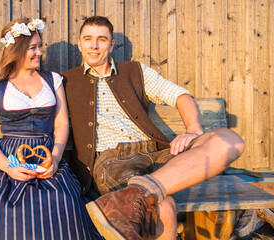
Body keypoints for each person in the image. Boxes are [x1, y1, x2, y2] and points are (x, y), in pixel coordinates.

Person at [61, 16, 245, 240]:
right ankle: (145, 194)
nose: (94, 45)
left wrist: (194, 130)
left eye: (102, 39)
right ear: (79, 43)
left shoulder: (135, 72)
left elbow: (181, 96)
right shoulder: (65, 81)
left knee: (230, 140)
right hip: (112, 161)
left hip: (155, 153)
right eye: (88, 39)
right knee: (163, 207)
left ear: (111, 45)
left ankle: (139, 193)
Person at [0, 18, 103, 240]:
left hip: (47, 157)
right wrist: (8, 167)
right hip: (7, 161)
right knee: (1, 208)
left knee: (63, 201)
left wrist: (54, 157)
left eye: (40, 46)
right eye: (32, 48)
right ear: (15, 50)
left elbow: (62, 123)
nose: (40, 52)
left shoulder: (52, 81)